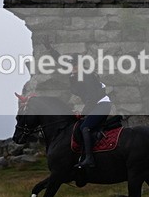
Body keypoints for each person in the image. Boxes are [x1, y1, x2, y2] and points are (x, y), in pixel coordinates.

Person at [42, 39, 112, 168]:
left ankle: (89, 159)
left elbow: (92, 98)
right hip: (94, 105)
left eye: (75, 65)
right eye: (71, 65)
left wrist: (83, 113)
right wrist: (49, 48)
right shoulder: (74, 72)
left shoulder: (86, 76)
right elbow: (60, 60)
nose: (72, 67)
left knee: (85, 127)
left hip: (102, 104)